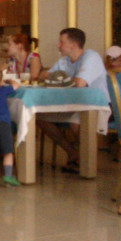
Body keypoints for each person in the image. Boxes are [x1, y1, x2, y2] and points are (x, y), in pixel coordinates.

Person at [38, 27, 109, 173]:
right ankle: (72, 153)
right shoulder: (64, 61)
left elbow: (80, 83)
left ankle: (87, 161)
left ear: (74, 45)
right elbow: (43, 77)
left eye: (61, 42)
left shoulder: (91, 57)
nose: (58, 45)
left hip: (94, 105)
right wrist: (50, 76)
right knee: (40, 117)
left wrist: (55, 78)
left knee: (76, 123)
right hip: (71, 105)